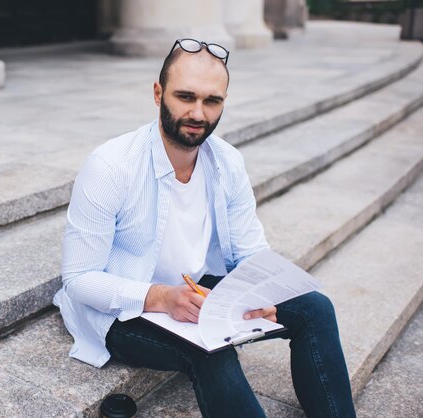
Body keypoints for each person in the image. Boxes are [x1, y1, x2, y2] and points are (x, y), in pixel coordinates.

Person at [53, 38, 356, 418]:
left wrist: (261, 292)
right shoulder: (111, 167)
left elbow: (251, 253)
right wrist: (162, 297)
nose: (198, 113)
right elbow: (79, 278)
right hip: (124, 310)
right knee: (211, 352)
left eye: (212, 101)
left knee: (314, 308)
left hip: (198, 291)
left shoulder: (227, 162)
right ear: (158, 93)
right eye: (185, 97)